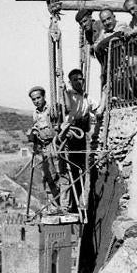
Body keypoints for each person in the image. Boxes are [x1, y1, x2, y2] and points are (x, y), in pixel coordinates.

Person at [57, 69, 92, 213]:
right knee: (67, 170)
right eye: (75, 80)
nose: (79, 82)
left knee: (81, 169)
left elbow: (98, 110)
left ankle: (78, 204)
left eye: (81, 79)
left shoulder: (86, 97)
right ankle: (66, 205)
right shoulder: (68, 94)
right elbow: (68, 107)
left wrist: (105, 94)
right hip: (70, 134)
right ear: (71, 82)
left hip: (81, 135)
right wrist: (64, 90)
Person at [26, 86, 61, 210]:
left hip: (56, 145)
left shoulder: (52, 110)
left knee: (60, 174)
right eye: (34, 99)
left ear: (44, 97)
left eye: (38, 98)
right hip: (44, 147)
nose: (36, 101)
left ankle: (65, 204)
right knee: (47, 176)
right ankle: (54, 206)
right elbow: (36, 126)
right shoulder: (35, 114)